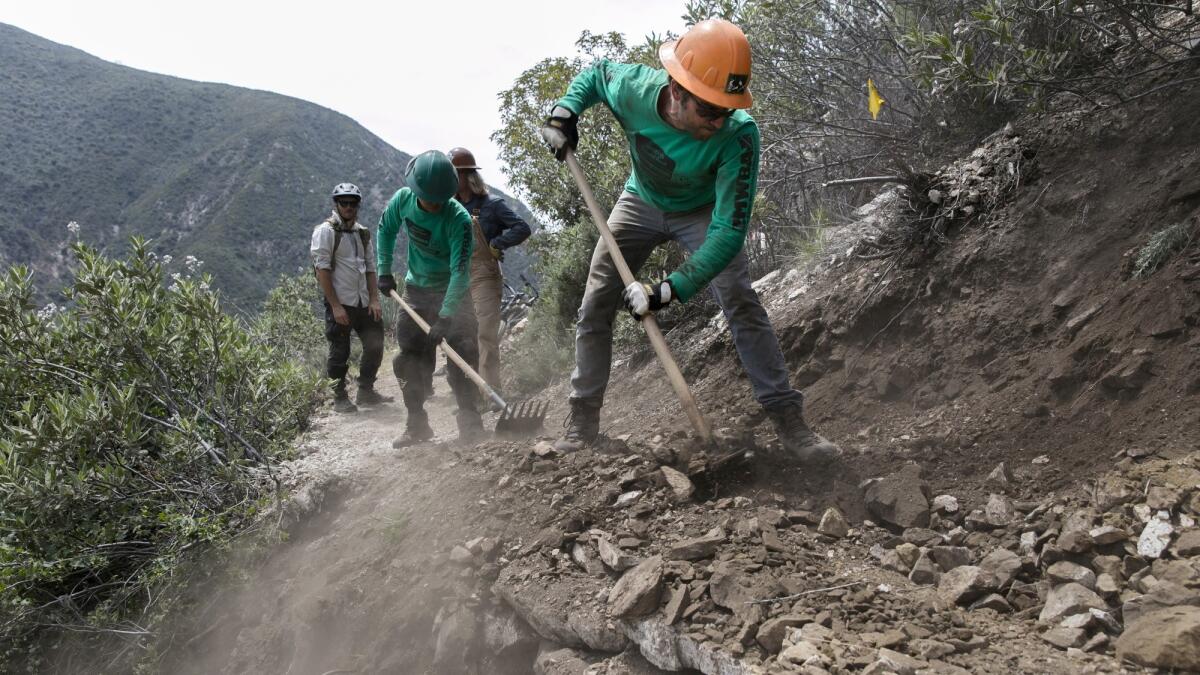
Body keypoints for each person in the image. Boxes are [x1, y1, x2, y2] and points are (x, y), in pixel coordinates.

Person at [540, 18, 840, 461]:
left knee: (738, 295)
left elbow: (728, 233)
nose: (718, 122)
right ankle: (583, 421)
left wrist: (667, 291)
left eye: (725, 109)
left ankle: (790, 423)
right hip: (640, 200)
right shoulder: (634, 90)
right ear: (677, 91)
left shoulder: (739, 133)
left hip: (701, 213)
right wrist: (566, 112)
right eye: (709, 111)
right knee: (595, 301)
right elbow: (596, 74)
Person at [376, 151, 482, 447]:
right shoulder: (403, 200)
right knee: (409, 357)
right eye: (429, 198)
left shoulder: (459, 220)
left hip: (454, 292)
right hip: (416, 291)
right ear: (417, 190)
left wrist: (446, 316)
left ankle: (471, 422)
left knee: (463, 351)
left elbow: (460, 273)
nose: (434, 205)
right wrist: (384, 271)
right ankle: (417, 424)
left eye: (440, 199)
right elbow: (385, 230)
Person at [448, 147, 532, 391]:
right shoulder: (447, 207)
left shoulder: (491, 204)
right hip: (456, 276)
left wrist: (497, 243)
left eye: (454, 175)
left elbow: (522, 227)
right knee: (462, 333)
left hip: (484, 273)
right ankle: (467, 394)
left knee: (485, 333)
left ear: (467, 176)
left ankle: (491, 391)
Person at [310, 182, 392, 413]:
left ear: (358, 205)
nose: (348, 207)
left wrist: (375, 299)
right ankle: (339, 397)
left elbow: (370, 268)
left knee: (375, 346)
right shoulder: (325, 232)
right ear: (336, 204)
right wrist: (335, 306)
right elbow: (322, 270)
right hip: (341, 302)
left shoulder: (362, 233)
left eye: (352, 203)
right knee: (340, 352)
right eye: (344, 202)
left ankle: (366, 391)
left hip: (364, 302)